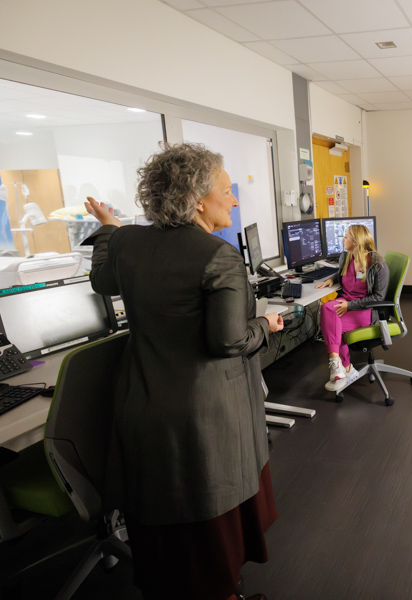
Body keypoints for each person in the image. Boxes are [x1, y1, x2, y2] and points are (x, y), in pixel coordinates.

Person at [83, 142, 283, 600]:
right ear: (197, 199)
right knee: (210, 520)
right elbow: (229, 342)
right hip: (204, 418)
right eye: (227, 191)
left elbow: (103, 280)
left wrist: (110, 227)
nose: (234, 200)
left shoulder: (130, 241)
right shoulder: (219, 256)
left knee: (168, 529)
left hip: (144, 408)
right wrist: (266, 325)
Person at [316, 224, 389, 391]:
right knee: (327, 310)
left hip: (363, 309)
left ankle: (343, 367)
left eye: (347, 236)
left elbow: (378, 297)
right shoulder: (346, 257)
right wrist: (332, 280)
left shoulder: (378, 264)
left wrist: (350, 305)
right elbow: (342, 273)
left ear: (356, 242)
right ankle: (342, 367)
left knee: (332, 321)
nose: (343, 239)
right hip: (345, 303)